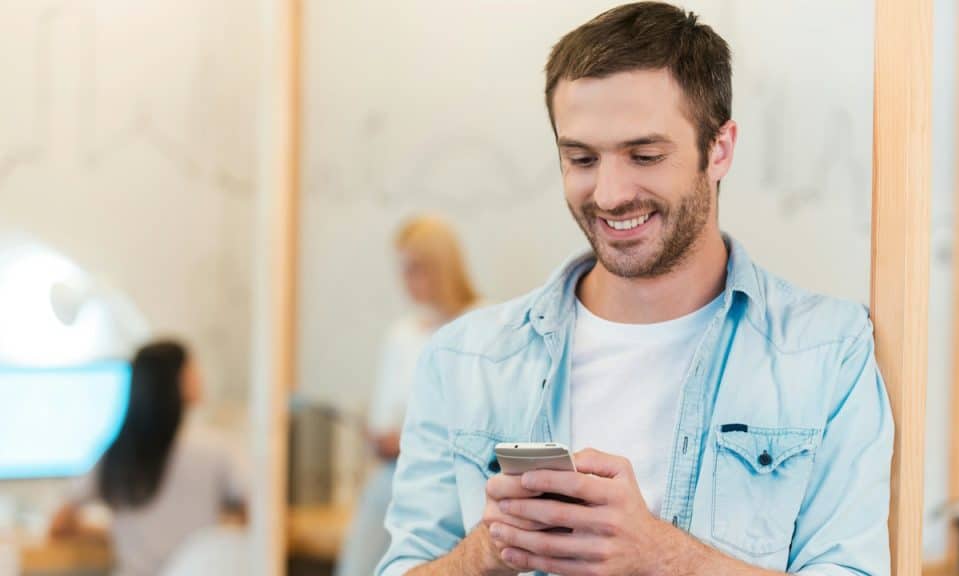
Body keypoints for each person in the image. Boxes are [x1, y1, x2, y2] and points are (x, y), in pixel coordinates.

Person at [377, 3, 894, 576]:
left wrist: (661, 555)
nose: (609, 193)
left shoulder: (827, 354)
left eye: (644, 155)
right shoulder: (464, 360)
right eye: (581, 158)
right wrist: (486, 552)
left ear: (719, 148)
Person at [338, 215, 481, 576]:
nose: (406, 281)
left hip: (457, 476)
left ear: (440, 267)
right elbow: (383, 420)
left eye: (415, 269)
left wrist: (415, 440)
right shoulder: (401, 335)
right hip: (395, 474)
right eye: (402, 270)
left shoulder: (483, 326)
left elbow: (485, 423)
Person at [50, 340, 247, 576]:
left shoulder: (117, 451)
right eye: (193, 370)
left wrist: (111, 532)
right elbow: (257, 513)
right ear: (181, 381)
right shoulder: (216, 448)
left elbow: (59, 524)